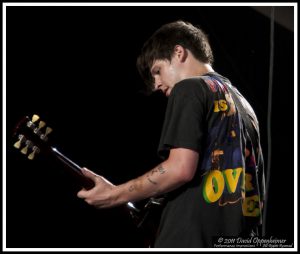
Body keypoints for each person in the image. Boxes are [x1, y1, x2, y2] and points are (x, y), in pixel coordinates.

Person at [77, 20, 265, 248]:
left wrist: (114, 194)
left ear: (179, 52)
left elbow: (180, 169)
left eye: (157, 71)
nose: (156, 84)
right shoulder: (245, 107)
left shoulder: (191, 88)